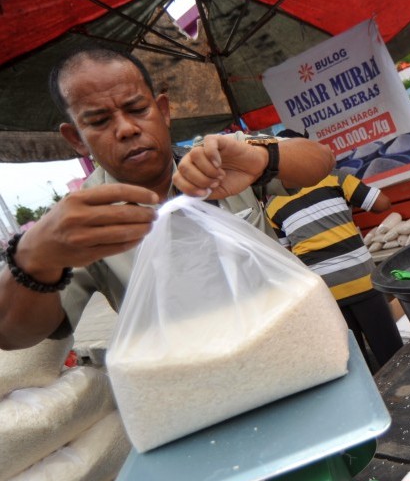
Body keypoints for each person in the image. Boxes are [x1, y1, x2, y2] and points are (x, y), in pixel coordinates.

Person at [0, 46, 334, 351]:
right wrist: (33, 257)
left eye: (137, 109)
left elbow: (321, 160)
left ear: (163, 110)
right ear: (76, 139)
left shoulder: (220, 158)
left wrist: (260, 159)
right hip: (191, 382)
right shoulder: (82, 221)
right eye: (99, 121)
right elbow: (13, 335)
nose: (126, 128)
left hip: (296, 343)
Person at [265, 141, 403, 371]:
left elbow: (288, 254)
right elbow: (382, 204)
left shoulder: (272, 207)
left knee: (353, 360)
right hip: (362, 281)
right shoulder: (335, 179)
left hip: (326, 293)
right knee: (392, 353)